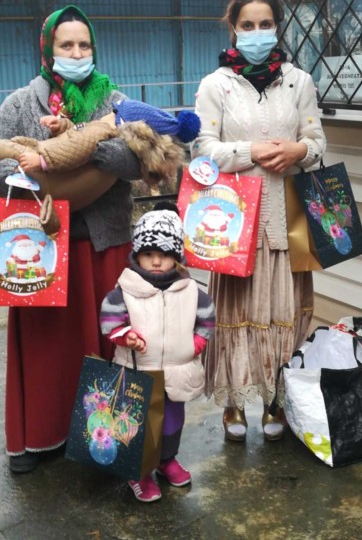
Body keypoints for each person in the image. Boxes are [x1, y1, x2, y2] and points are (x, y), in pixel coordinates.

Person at [0, 4, 148, 473]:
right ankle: (41, 437)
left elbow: (137, 159)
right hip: (39, 248)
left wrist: (66, 154)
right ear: (48, 49)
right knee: (46, 350)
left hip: (103, 245)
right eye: (66, 45)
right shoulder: (19, 104)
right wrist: (74, 162)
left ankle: (107, 442)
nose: (76, 53)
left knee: (110, 341)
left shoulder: (114, 102)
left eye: (84, 45)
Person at [191, 0, 327, 442]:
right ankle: (234, 404)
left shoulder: (298, 81)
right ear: (233, 28)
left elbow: (318, 141)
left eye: (265, 24)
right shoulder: (216, 85)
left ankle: (276, 400)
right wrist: (249, 151)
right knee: (236, 314)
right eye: (247, 25)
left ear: (277, 27)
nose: (256, 32)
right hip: (233, 225)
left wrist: (298, 151)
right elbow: (203, 148)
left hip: (288, 222)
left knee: (284, 313)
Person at [100, 203, 215, 503]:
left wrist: (196, 343)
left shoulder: (190, 291)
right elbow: (110, 320)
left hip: (176, 373)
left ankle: (166, 460)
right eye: (148, 253)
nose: (155, 261)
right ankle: (138, 472)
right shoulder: (126, 290)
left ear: (176, 257)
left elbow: (207, 319)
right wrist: (126, 336)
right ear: (136, 255)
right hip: (138, 373)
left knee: (171, 423)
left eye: (163, 254)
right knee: (138, 426)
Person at [0, 98, 201, 182]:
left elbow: (74, 149)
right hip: (44, 148)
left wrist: (42, 161)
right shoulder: (99, 129)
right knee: (0, 146)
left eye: (115, 111)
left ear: (121, 120)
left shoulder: (101, 132)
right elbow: (77, 133)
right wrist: (62, 125)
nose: (109, 112)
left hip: (42, 154)